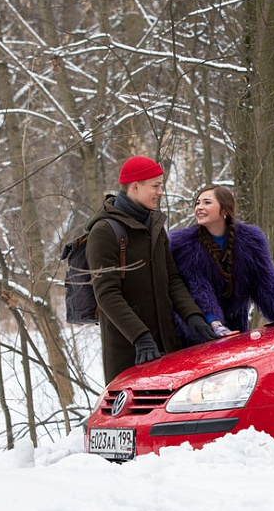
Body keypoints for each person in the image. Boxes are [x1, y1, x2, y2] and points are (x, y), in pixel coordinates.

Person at [86, 156, 216, 383]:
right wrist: (140, 337)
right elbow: (106, 294)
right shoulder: (104, 231)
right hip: (130, 351)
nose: (160, 192)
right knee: (135, 417)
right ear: (135, 186)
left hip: (168, 345)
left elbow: (172, 279)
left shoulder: (155, 227)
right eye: (155, 186)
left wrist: (193, 316)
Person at [169, 184, 274, 343]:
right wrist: (212, 322)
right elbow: (197, 288)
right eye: (197, 203)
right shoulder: (184, 245)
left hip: (236, 328)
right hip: (196, 331)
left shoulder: (251, 240)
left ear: (225, 210)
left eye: (207, 202)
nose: (199, 207)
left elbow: (265, 282)